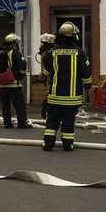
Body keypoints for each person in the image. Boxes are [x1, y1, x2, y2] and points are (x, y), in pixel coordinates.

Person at [41, 22, 92, 151]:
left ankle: (48, 144)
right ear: (74, 37)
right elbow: (86, 74)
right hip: (72, 97)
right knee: (68, 122)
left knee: (52, 121)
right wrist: (88, 86)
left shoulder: (52, 53)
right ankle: (68, 144)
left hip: (54, 97)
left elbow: (46, 73)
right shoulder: (80, 53)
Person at [0, 33, 30, 129]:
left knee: (5, 106)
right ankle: (22, 123)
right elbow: (22, 65)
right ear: (13, 42)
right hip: (13, 84)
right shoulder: (14, 52)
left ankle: (7, 123)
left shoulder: (0, 53)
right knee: (19, 105)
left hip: (2, 84)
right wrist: (19, 76)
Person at [36, 33, 56, 119]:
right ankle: (45, 112)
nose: (41, 46)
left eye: (43, 44)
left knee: (50, 95)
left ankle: (46, 113)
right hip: (52, 78)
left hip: (54, 78)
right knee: (49, 94)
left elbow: (51, 68)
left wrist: (43, 74)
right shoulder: (50, 52)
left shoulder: (50, 54)